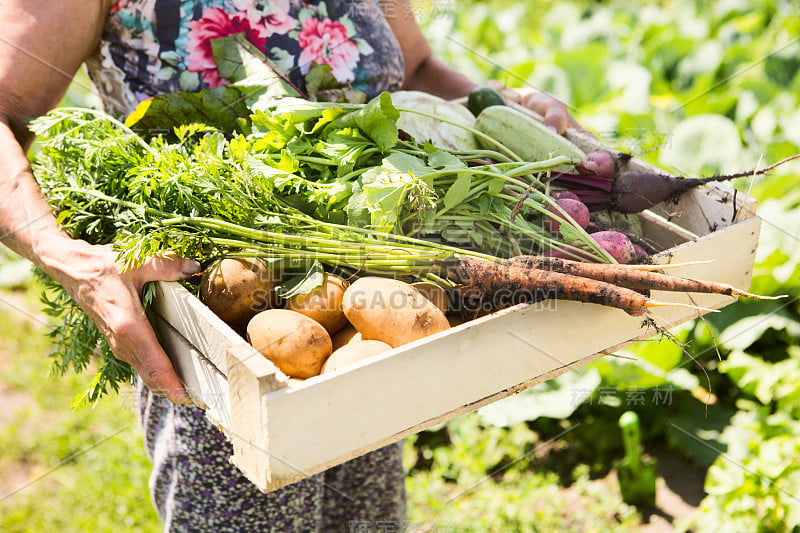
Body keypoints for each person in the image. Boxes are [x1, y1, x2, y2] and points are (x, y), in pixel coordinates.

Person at [0, 1, 582, 530]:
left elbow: (418, 69)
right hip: (219, 326)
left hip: (368, 317)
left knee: (366, 520)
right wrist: (72, 259)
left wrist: (499, 107)